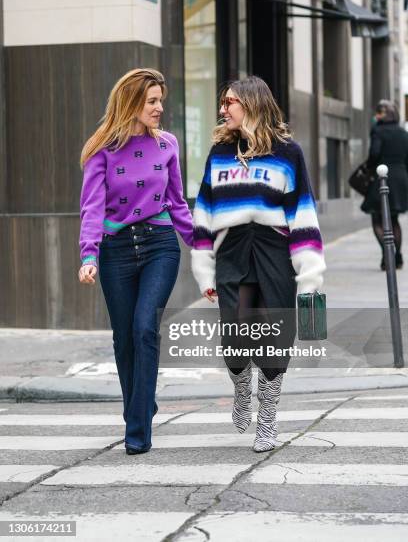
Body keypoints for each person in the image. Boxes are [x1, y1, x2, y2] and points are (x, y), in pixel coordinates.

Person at [191, 76, 326, 452]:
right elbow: (203, 210)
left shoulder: (288, 152)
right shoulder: (220, 152)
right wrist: (204, 266)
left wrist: (310, 274)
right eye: (223, 103)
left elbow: (303, 212)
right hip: (233, 252)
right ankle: (240, 387)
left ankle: (267, 419)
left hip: (274, 253)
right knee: (236, 338)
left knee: (273, 339)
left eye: (230, 102)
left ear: (251, 104)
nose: (223, 110)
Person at [78, 68, 193, 454]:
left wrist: (202, 246)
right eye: (152, 101)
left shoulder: (168, 145)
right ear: (131, 103)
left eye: (161, 100)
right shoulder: (102, 150)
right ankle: (143, 403)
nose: (160, 107)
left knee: (145, 328)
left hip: (160, 244)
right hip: (116, 251)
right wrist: (89, 254)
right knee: (124, 339)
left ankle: (137, 430)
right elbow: (92, 207)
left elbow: (177, 202)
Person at [361, 99, 408, 270]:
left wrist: (369, 167)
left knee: (377, 219)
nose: (376, 116)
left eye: (379, 112)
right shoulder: (403, 133)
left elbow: (374, 154)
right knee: (393, 219)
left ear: (384, 114)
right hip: (401, 179)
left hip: (382, 178)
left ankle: (387, 256)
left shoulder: (378, 131)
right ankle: (398, 256)